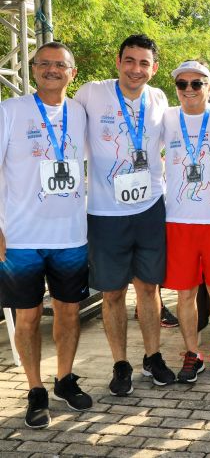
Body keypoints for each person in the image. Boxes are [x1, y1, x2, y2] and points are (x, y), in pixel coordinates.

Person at [74, 34, 174, 395]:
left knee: (149, 287)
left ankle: (153, 357)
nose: (136, 69)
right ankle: (120, 364)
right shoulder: (91, 93)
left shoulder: (159, 98)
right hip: (105, 212)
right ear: (118, 62)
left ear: (154, 68)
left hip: (150, 208)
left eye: (144, 63)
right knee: (113, 293)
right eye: (129, 61)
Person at [0, 42, 91, 428]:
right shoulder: (10, 110)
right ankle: (35, 388)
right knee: (28, 317)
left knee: (69, 312)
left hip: (70, 235)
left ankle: (64, 379)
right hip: (20, 237)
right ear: (33, 69)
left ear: (72, 73)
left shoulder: (81, 113)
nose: (52, 70)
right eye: (44, 64)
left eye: (60, 65)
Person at [163, 60, 210, 382]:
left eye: (197, 83)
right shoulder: (165, 118)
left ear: (209, 86)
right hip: (178, 220)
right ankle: (191, 352)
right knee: (185, 294)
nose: (190, 89)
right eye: (183, 84)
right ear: (176, 88)